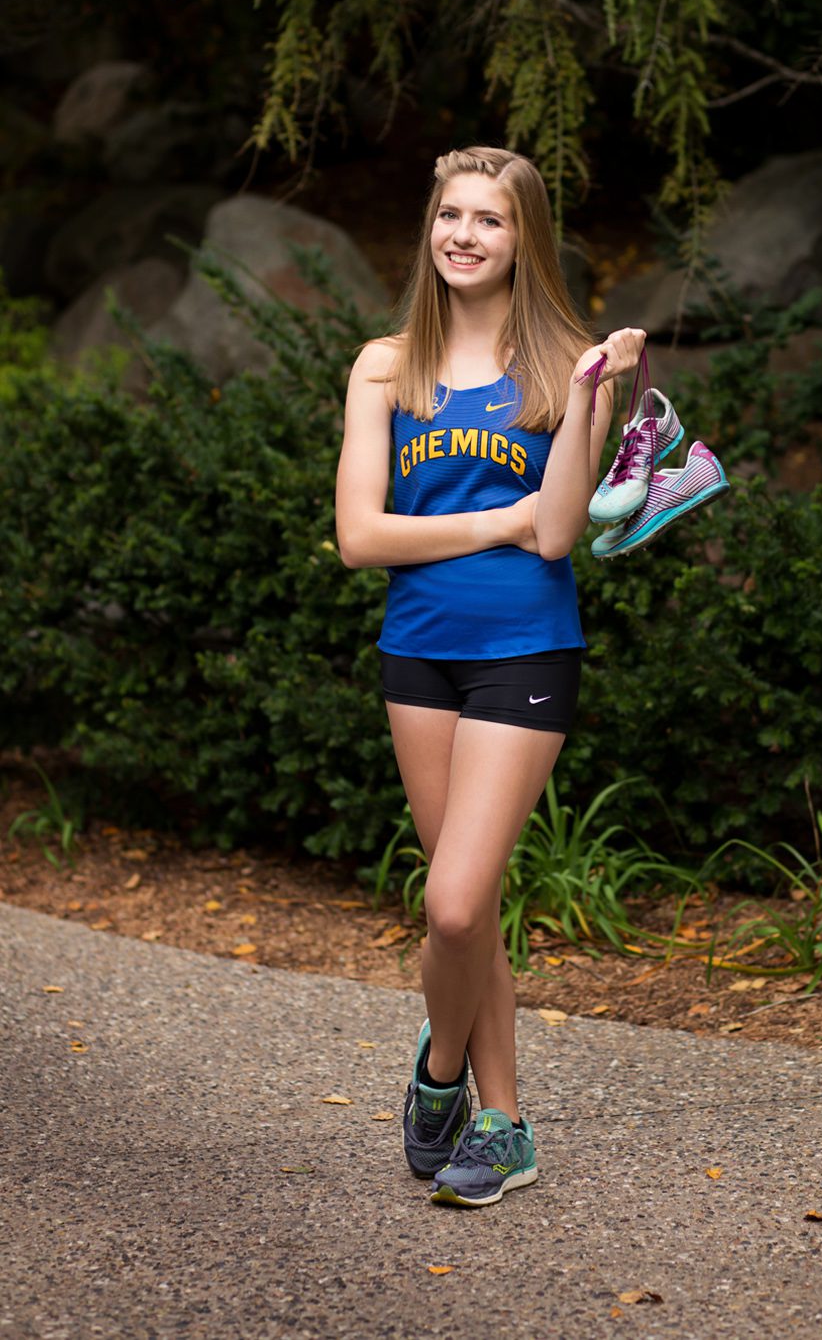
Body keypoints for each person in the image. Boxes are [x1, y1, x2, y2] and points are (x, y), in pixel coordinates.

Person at [334, 145, 646, 1207]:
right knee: (471, 906)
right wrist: (495, 521)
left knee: (456, 906)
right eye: (450, 216)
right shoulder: (386, 366)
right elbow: (358, 536)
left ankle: (438, 1068)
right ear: (429, 229)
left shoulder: (567, 365)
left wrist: (595, 403)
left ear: (526, 241)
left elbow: (557, 533)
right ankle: (503, 1124)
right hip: (416, 655)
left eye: (491, 220)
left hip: (524, 653)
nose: (465, 235)